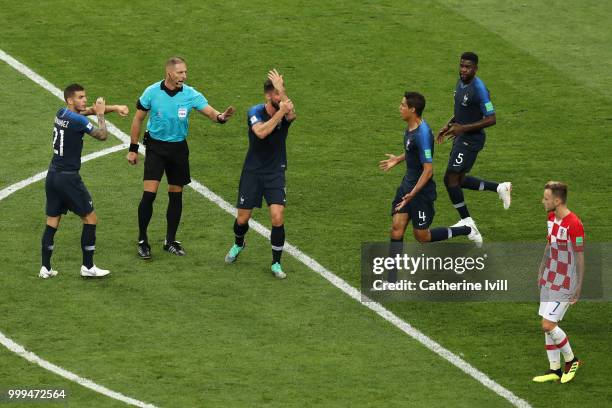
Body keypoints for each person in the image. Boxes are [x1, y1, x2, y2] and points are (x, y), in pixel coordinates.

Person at [128, 56, 235, 259]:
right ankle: (142, 240)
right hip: (156, 148)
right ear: (169, 73)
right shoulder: (152, 92)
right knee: (149, 195)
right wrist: (133, 148)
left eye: (185, 72)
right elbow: (138, 118)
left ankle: (170, 240)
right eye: (180, 72)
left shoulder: (190, 93)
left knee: (176, 194)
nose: (184, 76)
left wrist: (221, 117)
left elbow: (211, 112)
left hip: (178, 148)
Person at [379, 92, 479, 281]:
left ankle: (466, 229)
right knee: (396, 228)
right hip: (407, 187)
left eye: (402, 105)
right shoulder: (412, 129)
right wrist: (398, 159)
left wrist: (412, 195)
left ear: (412, 109)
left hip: (421, 193)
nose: (399, 108)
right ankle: (391, 279)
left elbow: (428, 170)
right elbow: (412, 149)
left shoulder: (422, 133)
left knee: (422, 237)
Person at [39, 83, 129, 279]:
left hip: (52, 176)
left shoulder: (61, 113)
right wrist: (101, 116)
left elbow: (84, 112)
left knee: (52, 221)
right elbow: (102, 135)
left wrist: (114, 107)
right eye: (80, 97)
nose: (85, 100)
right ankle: (88, 266)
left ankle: (45, 268)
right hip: (69, 179)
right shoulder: (77, 121)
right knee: (90, 219)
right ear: (70, 100)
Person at [224, 69, 296, 279]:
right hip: (253, 172)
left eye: (280, 94)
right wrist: (281, 113)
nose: (279, 98)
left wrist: (282, 93)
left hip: (275, 172)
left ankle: (276, 263)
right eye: (275, 94)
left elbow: (292, 113)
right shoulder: (254, 112)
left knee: (277, 217)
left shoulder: (286, 110)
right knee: (242, 219)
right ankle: (239, 243)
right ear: (267, 96)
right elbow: (261, 132)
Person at [436, 52, 511, 242]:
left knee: (450, 178)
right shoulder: (460, 81)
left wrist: (462, 128)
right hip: (462, 136)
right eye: (461, 65)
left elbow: (491, 119)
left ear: (475, 69)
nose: (463, 70)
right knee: (458, 180)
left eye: (468, 67)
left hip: (471, 140)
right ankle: (499, 188)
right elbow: (463, 109)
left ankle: (467, 222)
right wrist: (450, 123)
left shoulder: (479, 89)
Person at [533, 181, 583, 384]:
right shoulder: (551, 217)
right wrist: (542, 267)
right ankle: (554, 369)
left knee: (548, 324)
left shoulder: (574, 224)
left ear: (557, 200)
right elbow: (550, 243)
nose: (542, 201)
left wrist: (578, 286)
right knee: (547, 321)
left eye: (546, 199)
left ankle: (572, 360)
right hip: (550, 277)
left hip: (566, 281)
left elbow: (580, 257)